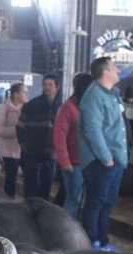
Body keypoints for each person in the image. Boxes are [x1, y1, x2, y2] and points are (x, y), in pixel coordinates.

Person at [78, 57, 133, 253]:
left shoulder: (111, 94)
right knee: (97, 200)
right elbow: (92, 131)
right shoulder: (94, 96)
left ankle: (102, 241)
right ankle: (91, 243)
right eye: (114, 67)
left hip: (114, 158)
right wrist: (106, 159)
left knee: (109, 200)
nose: (118, 69)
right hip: (100, 160)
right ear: (105, 72)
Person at [52, 72, 94, 217]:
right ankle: (69, 232)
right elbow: (59, 136)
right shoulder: (68, 108)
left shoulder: (88, 106)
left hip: (88, 162)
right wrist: (64, 161)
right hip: (74, 164)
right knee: (73, 200)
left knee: (81, 199)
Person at [17, 73, 62, 199]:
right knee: (31, 187)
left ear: (57, 87)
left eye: (50, 84)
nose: (47, 87)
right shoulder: (31, 105)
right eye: (45, 84)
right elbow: (20, 126)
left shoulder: (61, 107)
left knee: (46, 186)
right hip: (32, 152)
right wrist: (23, 144)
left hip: (51, 154)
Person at [0, 82, 28, 198]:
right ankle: (9, 202)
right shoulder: (3, 108)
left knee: (29, 177)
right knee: (11, 178)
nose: (27, 94)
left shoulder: (27, 108)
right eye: (24, 92)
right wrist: (18, 130)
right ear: (16, 94)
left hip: (25, 148)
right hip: (9, 150)